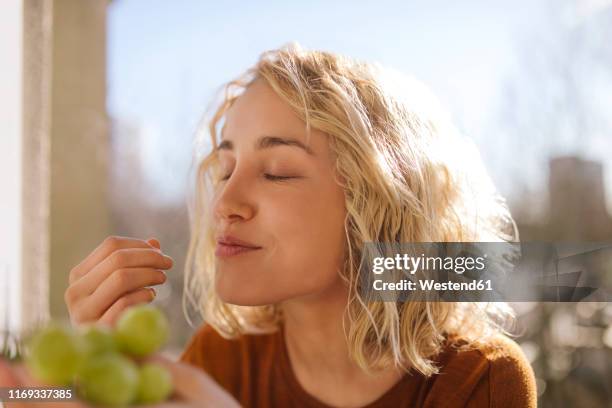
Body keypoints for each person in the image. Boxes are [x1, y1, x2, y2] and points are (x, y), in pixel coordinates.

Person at [5, 43, 537, 407]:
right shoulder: (221, 357)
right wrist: (64, 383)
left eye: (277, 172)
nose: (224, 204)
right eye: (224, 169)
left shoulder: (481, 380)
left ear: (378, 206)